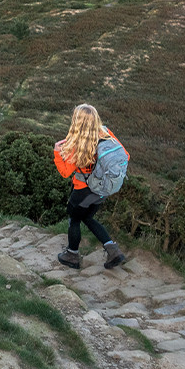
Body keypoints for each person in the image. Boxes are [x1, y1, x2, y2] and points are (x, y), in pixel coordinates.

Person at [53, 104, 127, 269]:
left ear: (76, 121)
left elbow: (65, 172)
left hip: (82, 192)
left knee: (74, 220)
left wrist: (57, 153)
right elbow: (124, 155)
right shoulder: (106, 134)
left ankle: (72, 255)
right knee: (88, 217)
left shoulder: (76, 144)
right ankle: (113, 250)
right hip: (102, 189)